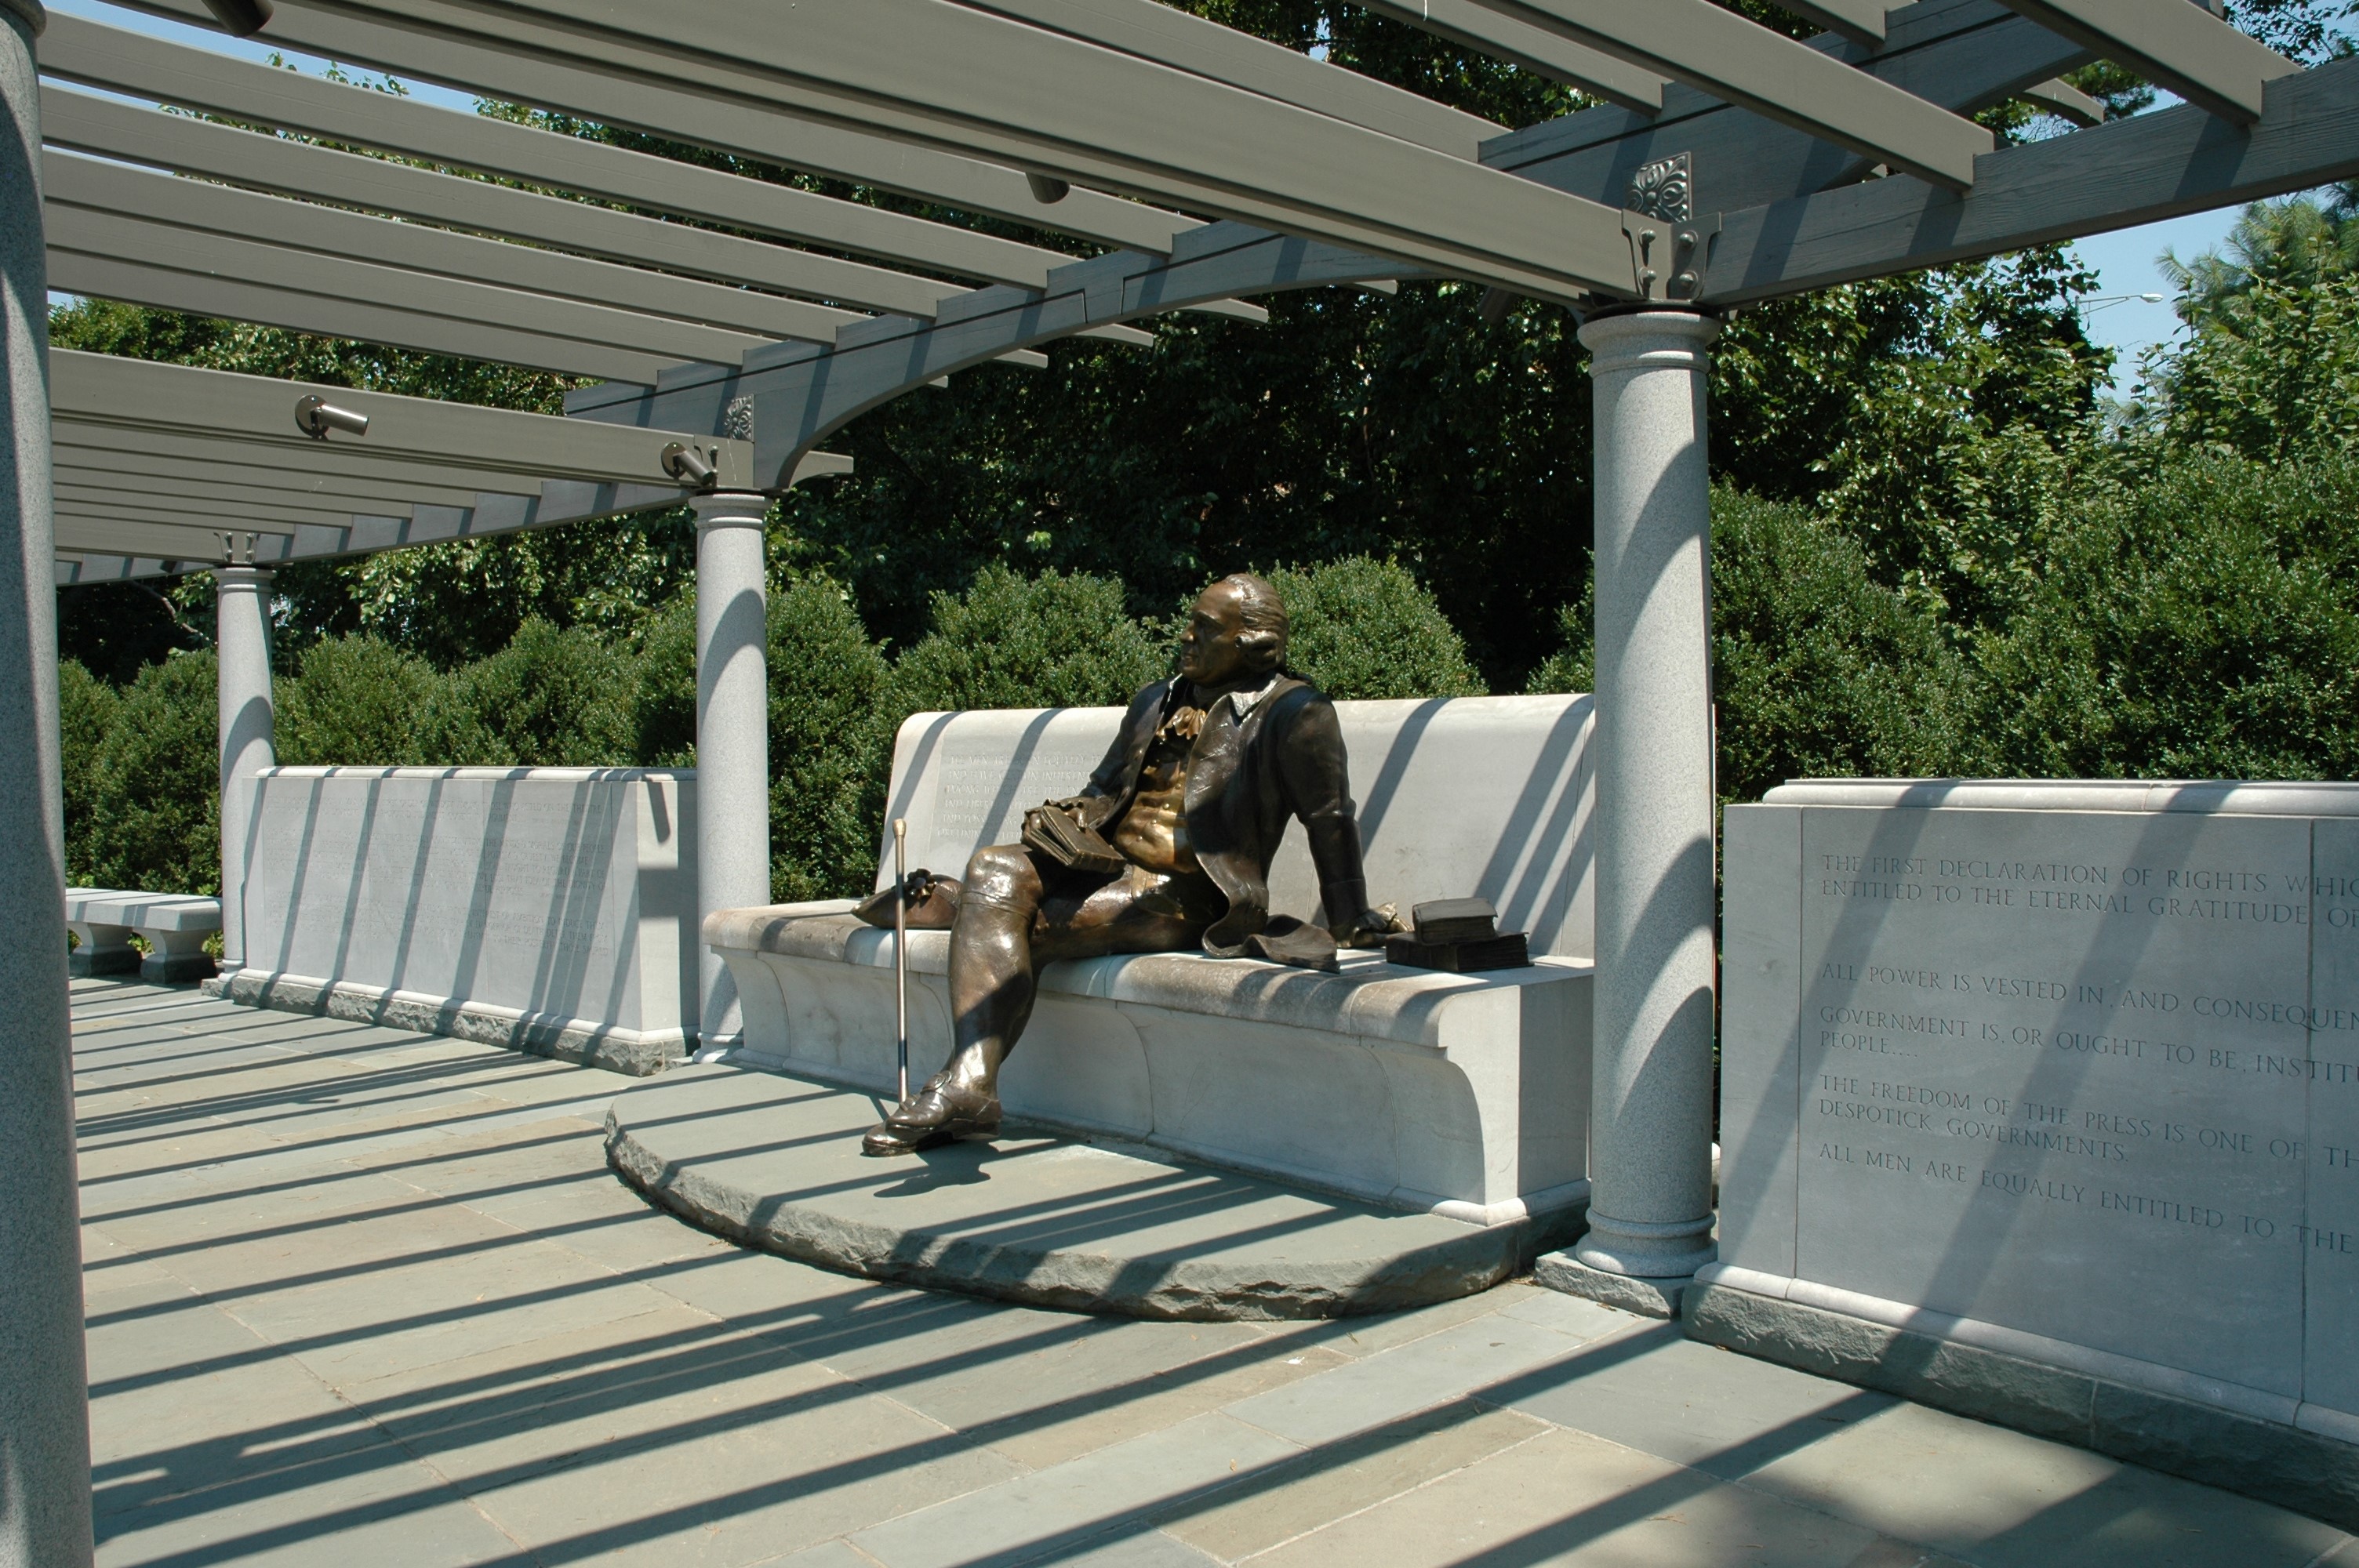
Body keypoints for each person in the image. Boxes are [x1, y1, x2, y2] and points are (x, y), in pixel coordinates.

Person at [860, 571, 1396, 1156]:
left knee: (1018, 924)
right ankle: (971, 1083)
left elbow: (1330, 817)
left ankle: (967, 1081)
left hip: (1190, 893)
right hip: (1107, 870)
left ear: (1252, 644)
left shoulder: (1295, 711)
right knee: (994, 865)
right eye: (1189, 623)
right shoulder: (1156, 698)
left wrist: (1350, 917)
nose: (1185, 637)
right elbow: (1105, 788)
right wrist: (1065, 819)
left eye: (1205, 630)